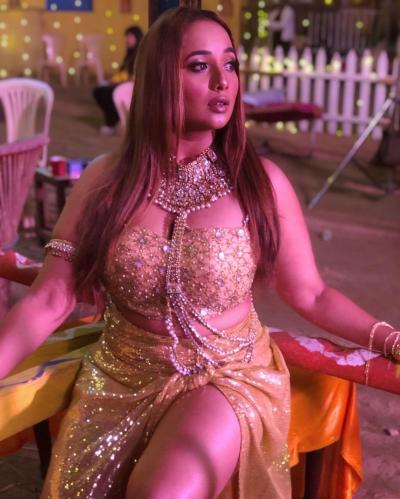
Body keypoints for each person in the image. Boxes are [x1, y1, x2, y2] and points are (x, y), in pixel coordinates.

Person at [0, 6, 399, 498]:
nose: (222, 81)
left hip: (226, 375)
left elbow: (311, 294)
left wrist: (391, 340)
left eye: (230, 64)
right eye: (198, 65)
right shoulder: (105, 181)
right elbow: (50, 298)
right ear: (159, 78)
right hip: (120, 375)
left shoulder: (261, 182)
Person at [93, 25, 143, 135]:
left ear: (137, 37)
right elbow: (123, 71)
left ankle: (111, 123)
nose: (127, 39)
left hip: (131, 85)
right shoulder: (129, 53)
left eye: (129, 37)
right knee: (98, 91)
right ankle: (114, 118)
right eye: (126, 37)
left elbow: (135, 75)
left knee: (109, 93)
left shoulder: (141, 53)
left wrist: (119, 82)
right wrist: (112, 80)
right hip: (122, 82)